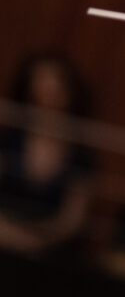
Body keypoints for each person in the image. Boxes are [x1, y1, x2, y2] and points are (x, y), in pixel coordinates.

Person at [0, 53, 95, 258]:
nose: (47, 101)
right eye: (40, 95)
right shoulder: (9, 140)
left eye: (55, 93)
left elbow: (71, 222)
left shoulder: (80, 156)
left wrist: (35, 240)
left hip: (49, 252)